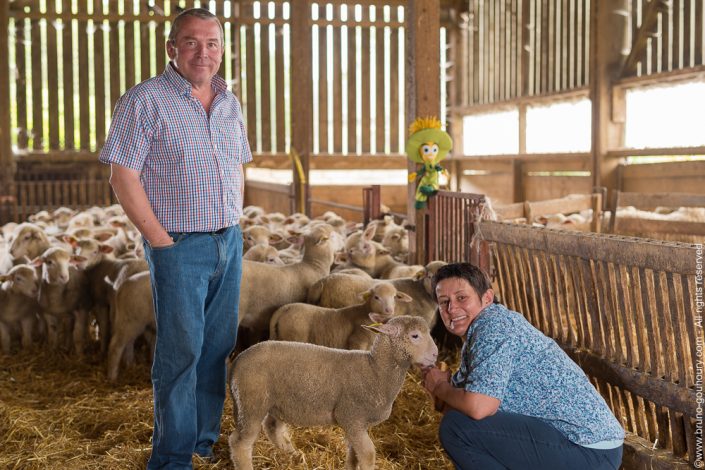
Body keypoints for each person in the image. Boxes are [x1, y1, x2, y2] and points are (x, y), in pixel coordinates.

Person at [99, 8, 251, 469]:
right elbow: (122, 175)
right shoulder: (144, 101)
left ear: (222, 50)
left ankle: (201, 444)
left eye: (212, 44)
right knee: (181, 352)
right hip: (180, 245)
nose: (202, 53)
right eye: (190, 42)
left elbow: (237, 165)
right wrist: (161, 243)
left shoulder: (230, 102)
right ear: (171, 48)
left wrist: (236, 222)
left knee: (216, 347)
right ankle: (170, 458)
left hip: (228, 240)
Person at [422, 263, 624, 470]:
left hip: (588, 449)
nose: (451, 308)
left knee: (456, 429)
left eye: (461, 298)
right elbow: (456, 407)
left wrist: (440, 388)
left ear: (487, 298)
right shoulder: (477, 336)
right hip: (578, 446)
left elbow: (478, 407)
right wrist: (440, 389)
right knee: (460, 425)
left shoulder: (494, 327)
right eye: (444, 301)